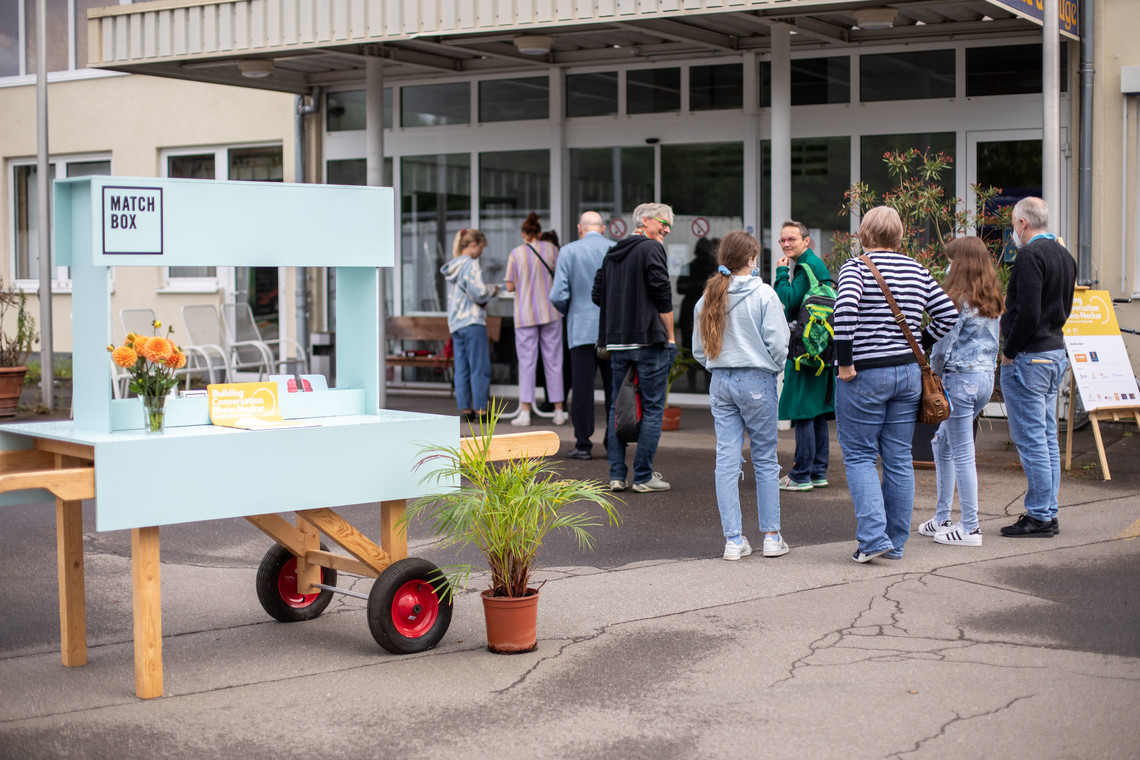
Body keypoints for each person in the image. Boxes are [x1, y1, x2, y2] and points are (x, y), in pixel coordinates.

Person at [833, 206, 958, 563]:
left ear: (864, 234)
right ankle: (895, 543)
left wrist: (845, 362)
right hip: (908, 374)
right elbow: (948, 314)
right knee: (899, 458)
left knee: (859, 455)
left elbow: (844, 313)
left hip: (864, 374)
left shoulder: (856, 267)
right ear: (899, 234)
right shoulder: (917, 269)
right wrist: (920, 342)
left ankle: (873, 540)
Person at [692, 231, 791, 560]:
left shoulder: (708, 296)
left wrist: (717, 364)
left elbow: (698, 349)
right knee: (765, 460)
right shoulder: (764, 294)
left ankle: (733, 540)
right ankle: (772, 537)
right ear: (750, 260)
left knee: (726, 461)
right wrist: (772, 366)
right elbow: (778, 342)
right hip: (757, 380)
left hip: (721, 380)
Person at [917, 237, 1004, 546]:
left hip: (958, 381)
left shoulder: (955, 300)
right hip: (983, 381)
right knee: (942, 444)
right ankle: (942, 518)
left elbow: (942, 347)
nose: (947, 264)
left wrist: (932, 374)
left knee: (962, 453)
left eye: (950, 259)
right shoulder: (990, 297)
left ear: (960, 262)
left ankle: (970, 527)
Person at [998, 197, 1077, 538]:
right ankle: (1048, 510)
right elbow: (1066, 306)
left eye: (1014, 223)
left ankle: (1041, 515)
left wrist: (1009, 351)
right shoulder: (1065, 254)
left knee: (1032, 440)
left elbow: (1027, 312)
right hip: (1054, 351)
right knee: (1045, 438)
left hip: (1029, 356)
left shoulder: (1030, 256)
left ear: (1022, 224)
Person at [592, 202, 677, 493]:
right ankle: (643, 476)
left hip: (616, 343)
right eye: (663, 223)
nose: (666, 228)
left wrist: (622, 312)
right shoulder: (651, 249)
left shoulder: (612, 252)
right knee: (652, 408)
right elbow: (662, 293)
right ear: (645, 221)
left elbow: (597, 294)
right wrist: (671, 336)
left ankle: (617, 475)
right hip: (649, 340)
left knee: (618, 406)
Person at [774, 220, 836, 492]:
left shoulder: (804, 266)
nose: (787, 244)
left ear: (806, 241)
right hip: (823, 349)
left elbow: (787, 302)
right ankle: (818, 472)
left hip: (804, 351)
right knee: (817, 412)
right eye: (783, 240)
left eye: (792, 240)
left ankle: (800, 475)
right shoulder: (818, 265)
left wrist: (779, 273)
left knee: (803, 412)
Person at [550, 211, 615, 459]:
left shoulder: (568, 251)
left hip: (580, 329)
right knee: (613, 388)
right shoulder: (615, 249)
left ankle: (583, 444)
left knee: (582, 389)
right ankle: (613, 443)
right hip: (610, 330)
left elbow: (557, 295)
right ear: (603, 228)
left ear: (580, 228)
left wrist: (572, 310)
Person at [505, 212, 566, 427]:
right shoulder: (552, 250)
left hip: (525, 314)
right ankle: (558, 411)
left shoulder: (515, 254)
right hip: (550, 312)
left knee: (527, 363)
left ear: (523, 233)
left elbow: (509, 286)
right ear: (539, 233)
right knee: (554, 361)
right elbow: (561, 278)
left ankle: (525, 412)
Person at [440, 228, 499, 421]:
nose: (481, 252)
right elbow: (479, 293)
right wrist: (493, 289)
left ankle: (465, 410)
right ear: (473, 244)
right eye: (481, 247)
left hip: (456, 323)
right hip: (473, 321)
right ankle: (482, 411)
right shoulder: (471, 264)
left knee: (462, 368)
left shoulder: (452, 267)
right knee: (479, 368)